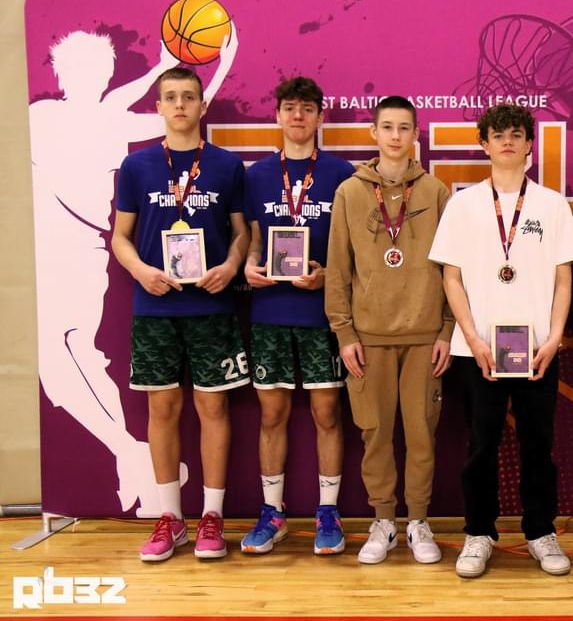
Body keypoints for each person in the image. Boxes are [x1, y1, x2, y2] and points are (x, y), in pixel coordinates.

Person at [29, 29, 236, 516]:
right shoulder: (48, 115)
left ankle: (170, 486)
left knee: (75, 360)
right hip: (60, 251)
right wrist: (142, 271)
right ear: (62, 73)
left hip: (87, 253)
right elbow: (113, 114)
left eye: (98, 70)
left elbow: (138, 112)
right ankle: (144, 473)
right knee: (67, 370)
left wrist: (186, 68)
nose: (178, 105)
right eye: (78, 69)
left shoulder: (117, 124)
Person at [429, 104, 573, 578]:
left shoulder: (552, 205)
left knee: (538, 445)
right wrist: (471, 337)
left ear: (530, 144)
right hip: (479, 351)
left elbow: (563, 280)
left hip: (538, 350)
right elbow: (451, 278)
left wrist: (554, 338)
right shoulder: (463, 205)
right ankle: (479, 532)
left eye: (516, 134)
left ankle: (540, 531)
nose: (508, 142)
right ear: (485, 144)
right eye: (498, 135)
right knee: (481, 445)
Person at [112, 67, 250, 561]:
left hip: (211, 305)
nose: (179, 105)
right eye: (170, 97)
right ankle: (170, 518)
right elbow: (120, 238)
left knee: (213, 409)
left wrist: (231, 266)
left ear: (202, 105)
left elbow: (242, 233)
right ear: (158, 106)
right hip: (156, 305)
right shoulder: (136, 165)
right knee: (163, 410)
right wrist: (141, 271)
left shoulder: (226, 166)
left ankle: (212, 516)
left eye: (188, 97)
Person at [325, 96, 453, 565]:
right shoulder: (350, 192)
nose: (395, 136)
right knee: (375, 434)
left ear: (415, 135)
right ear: (373, 133)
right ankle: (383, 521)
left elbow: (452, 269)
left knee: (421, 434)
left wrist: (447, 330)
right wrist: (344, 334)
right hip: (369, 337)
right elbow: (338, 269)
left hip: (424, 336)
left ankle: (417, 520)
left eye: (404, 128)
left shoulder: (436, 192)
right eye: (387, 127)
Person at [240, 77, 355, 555]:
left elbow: (351, 249)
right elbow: (251, 240)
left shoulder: (342, 174)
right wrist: (249, 266)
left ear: (320, 117)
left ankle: (328, 512)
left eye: (307, 108)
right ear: (278, 115)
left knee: (327, 412)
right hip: (270, 311)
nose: (298, 116)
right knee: (272, 414)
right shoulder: (257, 175)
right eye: (290, 107)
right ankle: (273, 512)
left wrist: (327, 275)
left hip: (322, 313)